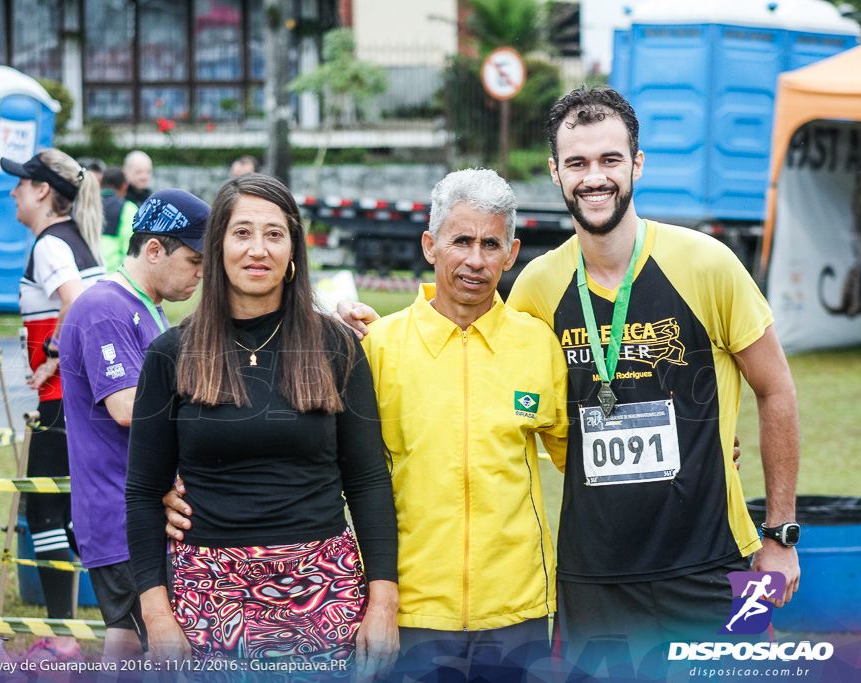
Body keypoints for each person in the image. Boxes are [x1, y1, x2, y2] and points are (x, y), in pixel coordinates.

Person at [336, 86, 802, 669]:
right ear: (556, 172)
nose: (594, 177)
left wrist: (781, 534)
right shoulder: (536, 286)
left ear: (636, 163)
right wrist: (385, 337)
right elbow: (481, 353)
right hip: (592, 575)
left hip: (720, 558)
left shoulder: (707, 262)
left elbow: (776, 389)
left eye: (610, 159)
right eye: (577, 163)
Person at [163, 170, 570, 680]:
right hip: (409, 607)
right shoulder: (374, 347)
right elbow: (300, 443)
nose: (475, 259)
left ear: (511, 255)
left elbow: (577, 465)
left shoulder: (539, 347)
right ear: (429, 245)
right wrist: (179, 483)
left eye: (491, 245)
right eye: (460, 240)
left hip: (519, 608)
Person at [125, 173, 399, 675]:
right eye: (242, 232)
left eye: (274, 234)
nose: (258, 249)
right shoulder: (171, 355)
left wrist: (383, 602)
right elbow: (143, 492)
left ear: (294, 247)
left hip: (323, 595)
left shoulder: (336, 348)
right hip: (206, 599)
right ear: (217, 246)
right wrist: (156, 613)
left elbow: (368, 481)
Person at [59, 189, 208, 660]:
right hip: (121, 515)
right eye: (194, 259)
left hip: (133, 510)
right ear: (154, 249)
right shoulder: (106, 308)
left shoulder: (147, 307)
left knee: (125, 647)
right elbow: (127, 407)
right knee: (167, 651)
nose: (202, 272)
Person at [0, 149, 106, 661]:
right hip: (83, 400)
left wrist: (53, 357)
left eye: (20, 183)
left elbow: (77, 301)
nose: (13, 192)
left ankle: (62, 639)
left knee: (43, 511)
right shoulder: (79, 239)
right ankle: (118, 623)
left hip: (64, 401)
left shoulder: (49, 244)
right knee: (73, 516)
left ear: (43, 191)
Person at [100, 166, 138, 273]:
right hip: (112, 275)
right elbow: (130, 247)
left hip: (83, 274)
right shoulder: (128, 208)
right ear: (124, 186)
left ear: (101, 183)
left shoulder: (84, 205)